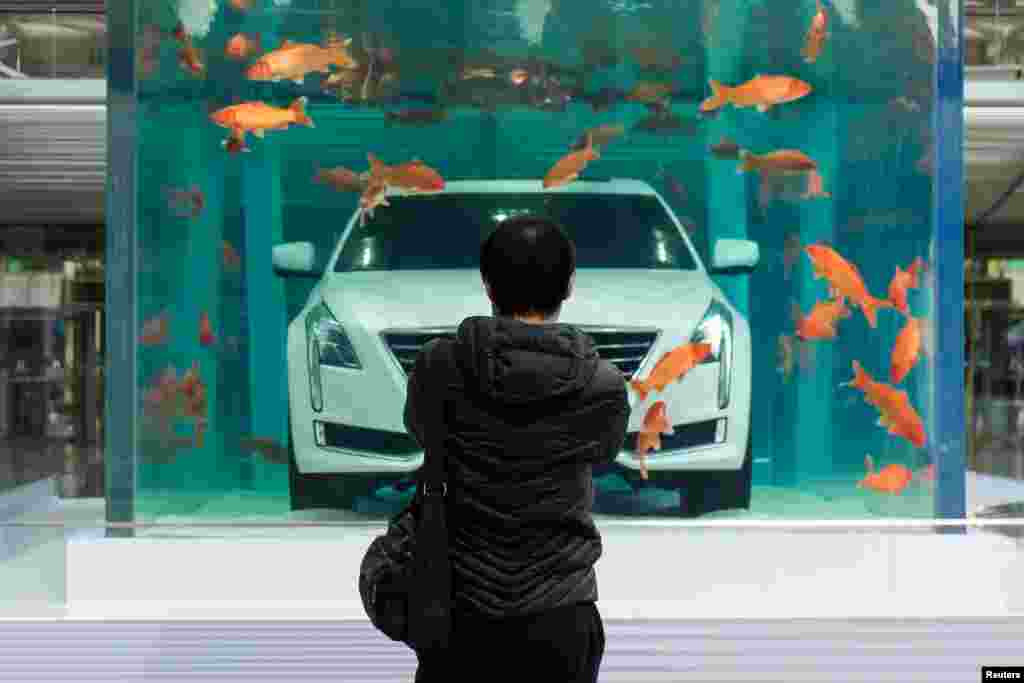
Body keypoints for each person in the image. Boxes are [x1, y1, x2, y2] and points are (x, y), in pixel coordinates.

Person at [404, 215, 631, 683]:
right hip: (562, 612)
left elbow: (421, 428)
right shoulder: (602, 385)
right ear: (569, 286)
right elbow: (604, 453)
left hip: (458, 609)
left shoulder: (438, 366)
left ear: (487, 284)